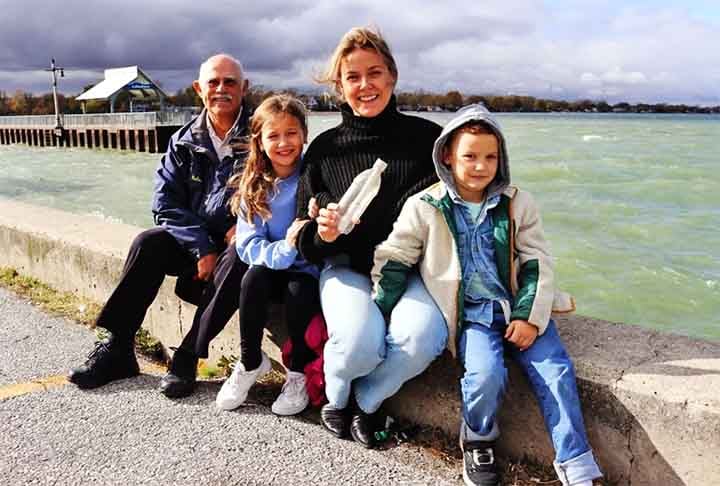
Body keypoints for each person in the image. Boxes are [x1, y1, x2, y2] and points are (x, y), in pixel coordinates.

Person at [371, 104, 602, 486]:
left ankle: (576, 464)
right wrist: (379, 308)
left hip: (517, 306)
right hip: (472, 316)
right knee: (484, 375)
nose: (481, 166)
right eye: (470, 156)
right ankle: (477, 440)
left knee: (556, 372)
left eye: (490, 157)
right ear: (447, 155)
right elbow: (396, 257)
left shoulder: (517, 202)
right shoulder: (425, 205)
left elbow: (536, 261)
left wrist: (528, 316)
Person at [294, 26, 447, 448]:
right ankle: (335, 396)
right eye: (353, 77)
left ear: (392, 77)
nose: (366, 85)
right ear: (340, 87)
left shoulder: (430, 141)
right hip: (346, 267)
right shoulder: (324, 149)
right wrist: (323, 234)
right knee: (361, 344)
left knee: (422, 338)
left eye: (374, 73)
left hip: (409, 268)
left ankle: (367, 399)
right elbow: (301, 237)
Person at [68, 53, 251, 399]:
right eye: (213, 82)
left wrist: (246, 223)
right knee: (147, 243)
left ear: (244, 87)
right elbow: (164, 204)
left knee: (239, 253)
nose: (221, 89)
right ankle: (118, 347)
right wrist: (201, 246)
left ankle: (187, 357)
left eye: (230, 82)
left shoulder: (261, 134)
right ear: (199, 89)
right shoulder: (182, 141)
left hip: (239, 243)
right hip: (197, 243)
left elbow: (282, 184)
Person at [213, 94, 320, 416]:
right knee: (253, 277)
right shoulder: (255, 184)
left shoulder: (313, 176)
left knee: (299, 290)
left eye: (291, 133)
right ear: (260, 139)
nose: (284, 143)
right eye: (274, 135)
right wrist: (284, 250)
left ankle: (298, 372)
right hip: (273, 263)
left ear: (304, 135)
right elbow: (247, 244)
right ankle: (249, 361)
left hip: (306, 270)